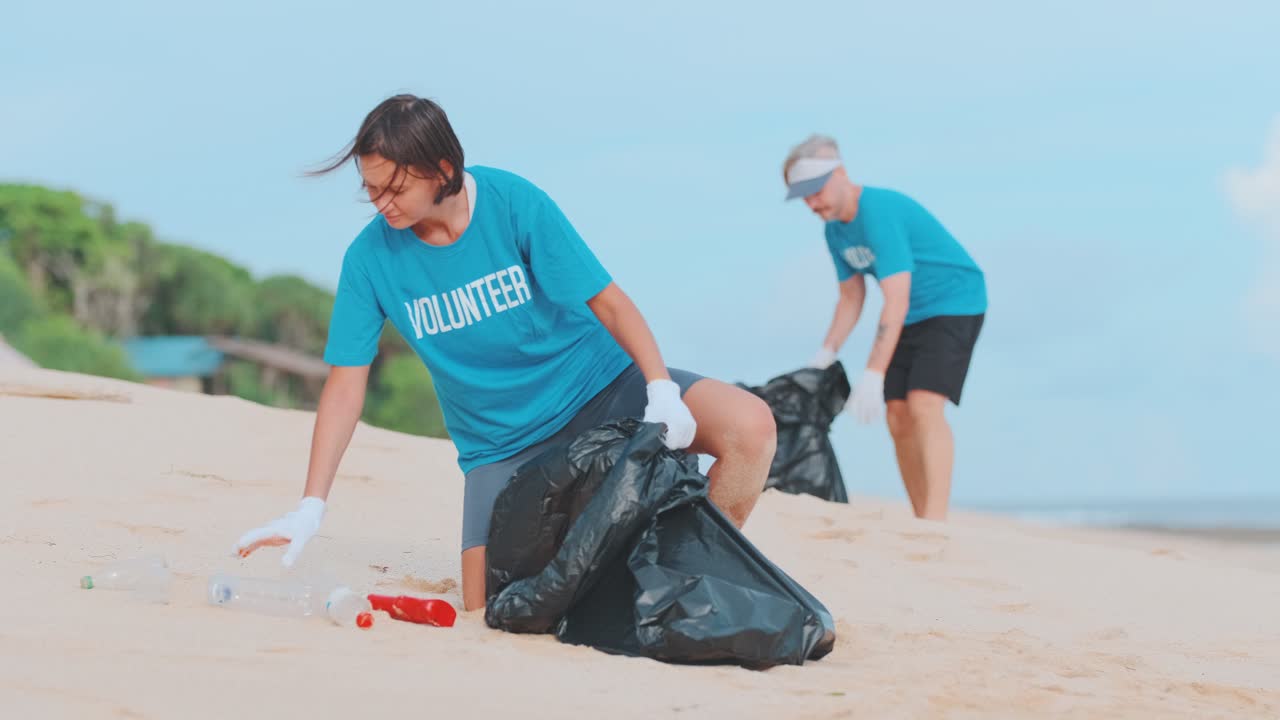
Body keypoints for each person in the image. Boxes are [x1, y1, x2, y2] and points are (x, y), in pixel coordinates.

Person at [235, 95, 777, 611]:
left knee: (750, 427)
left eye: (395, 189)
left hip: (600, 387)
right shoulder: (369, 260)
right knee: (486, 608)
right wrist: (311, 505)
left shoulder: (513, 203)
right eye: (370, 190)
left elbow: (609, 303)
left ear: (441, 169)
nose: (381, 204)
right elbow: (345, 386)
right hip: (501, 446)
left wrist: (660, 389)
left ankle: (687, 573)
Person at [783, 134, 986, 521]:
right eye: (803, 196)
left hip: (955, 302)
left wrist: (873, 373)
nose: (812, 203)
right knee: (896, 414)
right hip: (910, 314)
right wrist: (824, 355)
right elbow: (851, 297)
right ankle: (920, 516)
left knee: (924, 404)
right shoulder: (834, 230)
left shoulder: (877, 211)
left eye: (816, 190)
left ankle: (937, 524)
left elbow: (896, 296)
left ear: (840, 173)